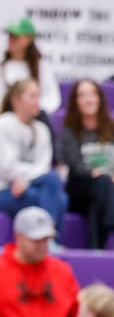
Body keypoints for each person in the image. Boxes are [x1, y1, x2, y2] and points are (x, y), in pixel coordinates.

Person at [0, 79, 67, 232]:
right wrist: (19, 179)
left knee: (58, 194)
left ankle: (46, 239)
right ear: (16, 100)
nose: (38, 101)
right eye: (32, 96)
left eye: (39, 96)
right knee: (56, 197)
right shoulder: (1, 125)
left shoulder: (42, 130)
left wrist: (24, 181)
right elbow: (5, 166)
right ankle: (48, 238)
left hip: (27, 187)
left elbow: (43, 165)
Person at [57, 78, 114, 249]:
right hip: (80, 188)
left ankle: (96, 251)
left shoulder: (111, 129)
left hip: (105, 191)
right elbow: (76, 166)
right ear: (76, 102)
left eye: (92, 94)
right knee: (103, 182)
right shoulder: (69, 132)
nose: (88, 99)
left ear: (99, 98)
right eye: (82, 95)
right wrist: (98, 173)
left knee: (97, 205)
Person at [0, 17, 59, 122]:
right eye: (10, 36)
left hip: (34, 123)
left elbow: (51, 99)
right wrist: (12, 114)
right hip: (2, 124)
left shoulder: (42, 67)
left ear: (29, 39)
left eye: (16, 37)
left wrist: (30, 113)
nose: (11, 40)